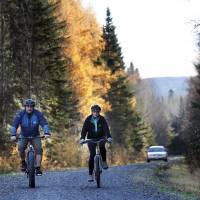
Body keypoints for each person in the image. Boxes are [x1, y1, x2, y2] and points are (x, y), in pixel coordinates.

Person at [10, 99, 50, 176]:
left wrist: (46, 133)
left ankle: (38, 168)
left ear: (33, 107)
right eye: (27, 106)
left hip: (35, 135)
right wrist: (13, 135)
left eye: (31, 106)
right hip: (23, 135)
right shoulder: (20, 114)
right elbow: (14, 125)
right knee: (21, 148)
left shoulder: (38, 114)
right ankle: (23, 162)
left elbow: (44, 123)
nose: (29, 108)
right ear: (25, 107)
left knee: (39, 149)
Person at [80, 105, 112, 182]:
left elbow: (106, 129)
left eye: (97, 112)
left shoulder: (102, 119)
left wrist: (109, 137)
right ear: (92, 112)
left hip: (101, 137)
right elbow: (84, 130)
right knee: (92, 154)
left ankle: (104, 161)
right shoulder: (88, 119)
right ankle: (90, 175)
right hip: (91, 138)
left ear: (99, 112)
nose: (95, 113)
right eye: (94, 112)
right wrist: (82, 138)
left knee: (102, 146)